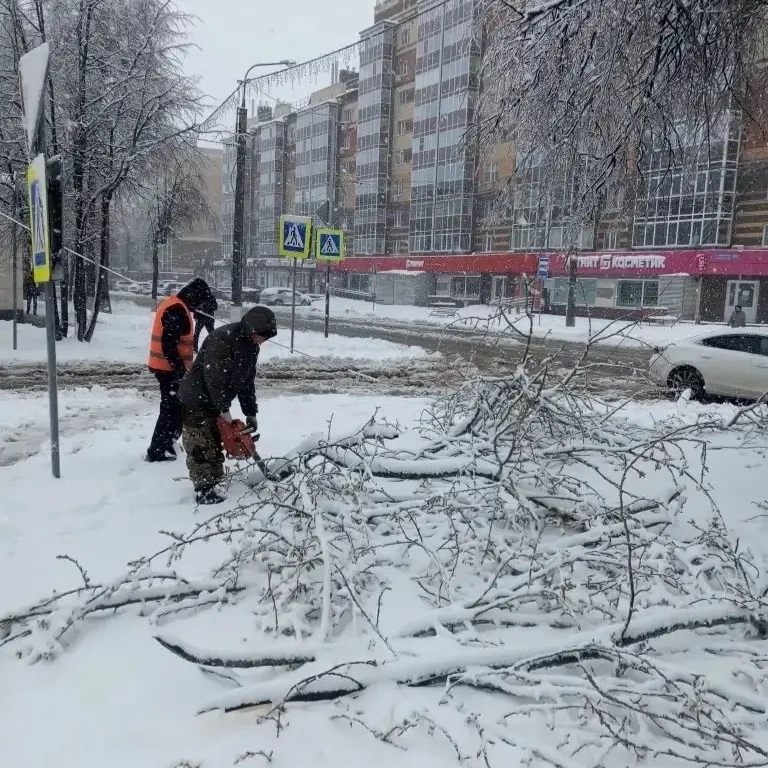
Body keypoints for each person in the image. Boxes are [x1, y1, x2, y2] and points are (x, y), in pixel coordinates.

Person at [178, 306, 277, 505]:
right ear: (250, 329)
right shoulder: (222, 340)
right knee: (200, 443)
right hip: (197, 398)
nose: (262, 340)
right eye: (260, 335)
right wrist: (224, 410)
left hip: (215, 401)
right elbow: (214, 379)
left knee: (215, 443)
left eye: (265, 337)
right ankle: (204, 490)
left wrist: (250, 412)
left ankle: (214, 482)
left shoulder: (251, 347)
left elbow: (247, 382)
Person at [146, 277, 215, 463]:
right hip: (168, 370)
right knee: (171, 410)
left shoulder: (177, 305)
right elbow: (168, 343)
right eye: (200, 302)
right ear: (194, 296)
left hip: (168, 368)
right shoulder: (177, 309)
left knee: (175, 409)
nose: (199, 307)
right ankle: (157, 451)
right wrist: (179, 371)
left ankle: (167, 444)